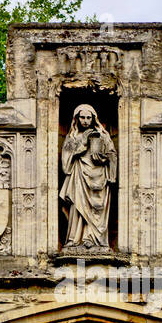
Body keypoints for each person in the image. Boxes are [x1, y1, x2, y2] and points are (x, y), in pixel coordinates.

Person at [60, 103, 117, 248]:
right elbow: (65, 164)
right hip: (79, 176)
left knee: (96, 210)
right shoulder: (72, 137)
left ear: (93, 119)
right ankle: (75, 239)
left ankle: (93, 239)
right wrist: (82, 145)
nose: (85, 120)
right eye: (82, 117)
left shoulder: (103, 135)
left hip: (99, 179)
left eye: (88, 118)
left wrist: (103, 159)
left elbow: (112, 155)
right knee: (77, 207)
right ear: (76, 119)